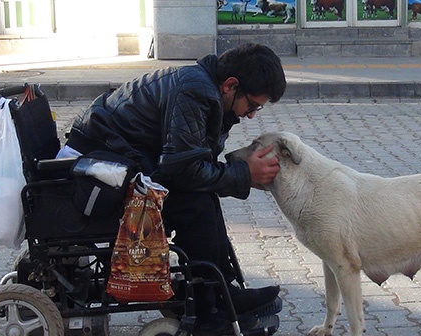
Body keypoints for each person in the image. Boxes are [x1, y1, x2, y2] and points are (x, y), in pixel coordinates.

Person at [58, 43, 287, 332]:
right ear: (231, 85)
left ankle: (221, 290)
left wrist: (238, 173)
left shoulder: (206, 89)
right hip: (99, 165)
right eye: (253, 105)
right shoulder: (196, 91)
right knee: (194, 205)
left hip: (122, 155)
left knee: (203, 198)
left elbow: (190, 164)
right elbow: (183, 171)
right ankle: (208, 310)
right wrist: (244, 173)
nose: (252, 114)